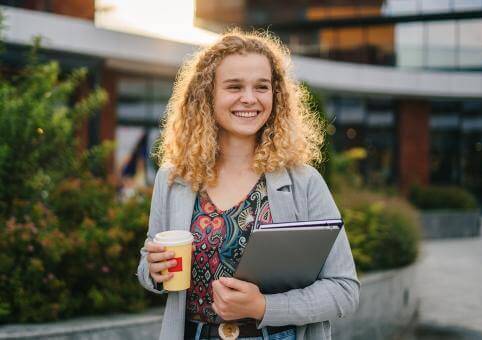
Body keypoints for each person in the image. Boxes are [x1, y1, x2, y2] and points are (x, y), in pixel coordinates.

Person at [137, 29, 359, 340]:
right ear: (207, 95)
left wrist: (264, 306)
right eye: (234, 86)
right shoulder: (174, 179)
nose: (249, 98)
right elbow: (149, 266)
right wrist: (154, 270)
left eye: (262, 87)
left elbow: (344, 290)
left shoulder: (305, 182)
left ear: (276, 95)